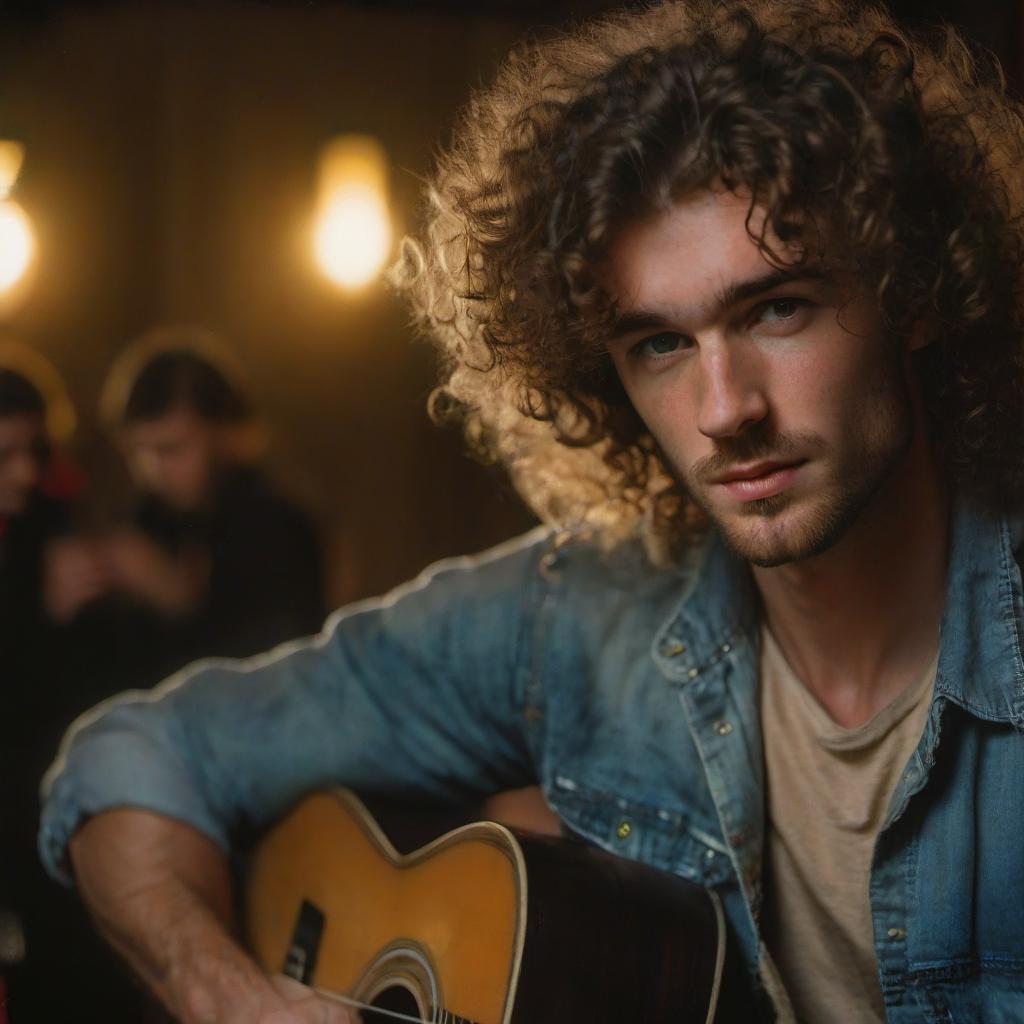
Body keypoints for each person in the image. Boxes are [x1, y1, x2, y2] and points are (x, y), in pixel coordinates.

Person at [38, 1, 1024, 1020]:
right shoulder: (573, 617)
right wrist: (230, 995)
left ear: (912, 289)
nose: (724, 409)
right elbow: (132, 756)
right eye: (658, 344)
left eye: (775, 308)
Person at [0, 359, 146, 1021]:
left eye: (34, 450)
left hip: (51, 819)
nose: (25, 472)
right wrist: (37, 615)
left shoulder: (50, 521)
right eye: (4, 455)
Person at [98, 330, 326, 676]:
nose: (152, 471)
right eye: (138, 452)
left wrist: (180, 609)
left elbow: (275, 668)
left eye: (171, 449)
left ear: (227, 435)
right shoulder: (140, 526)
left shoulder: (279, 531)